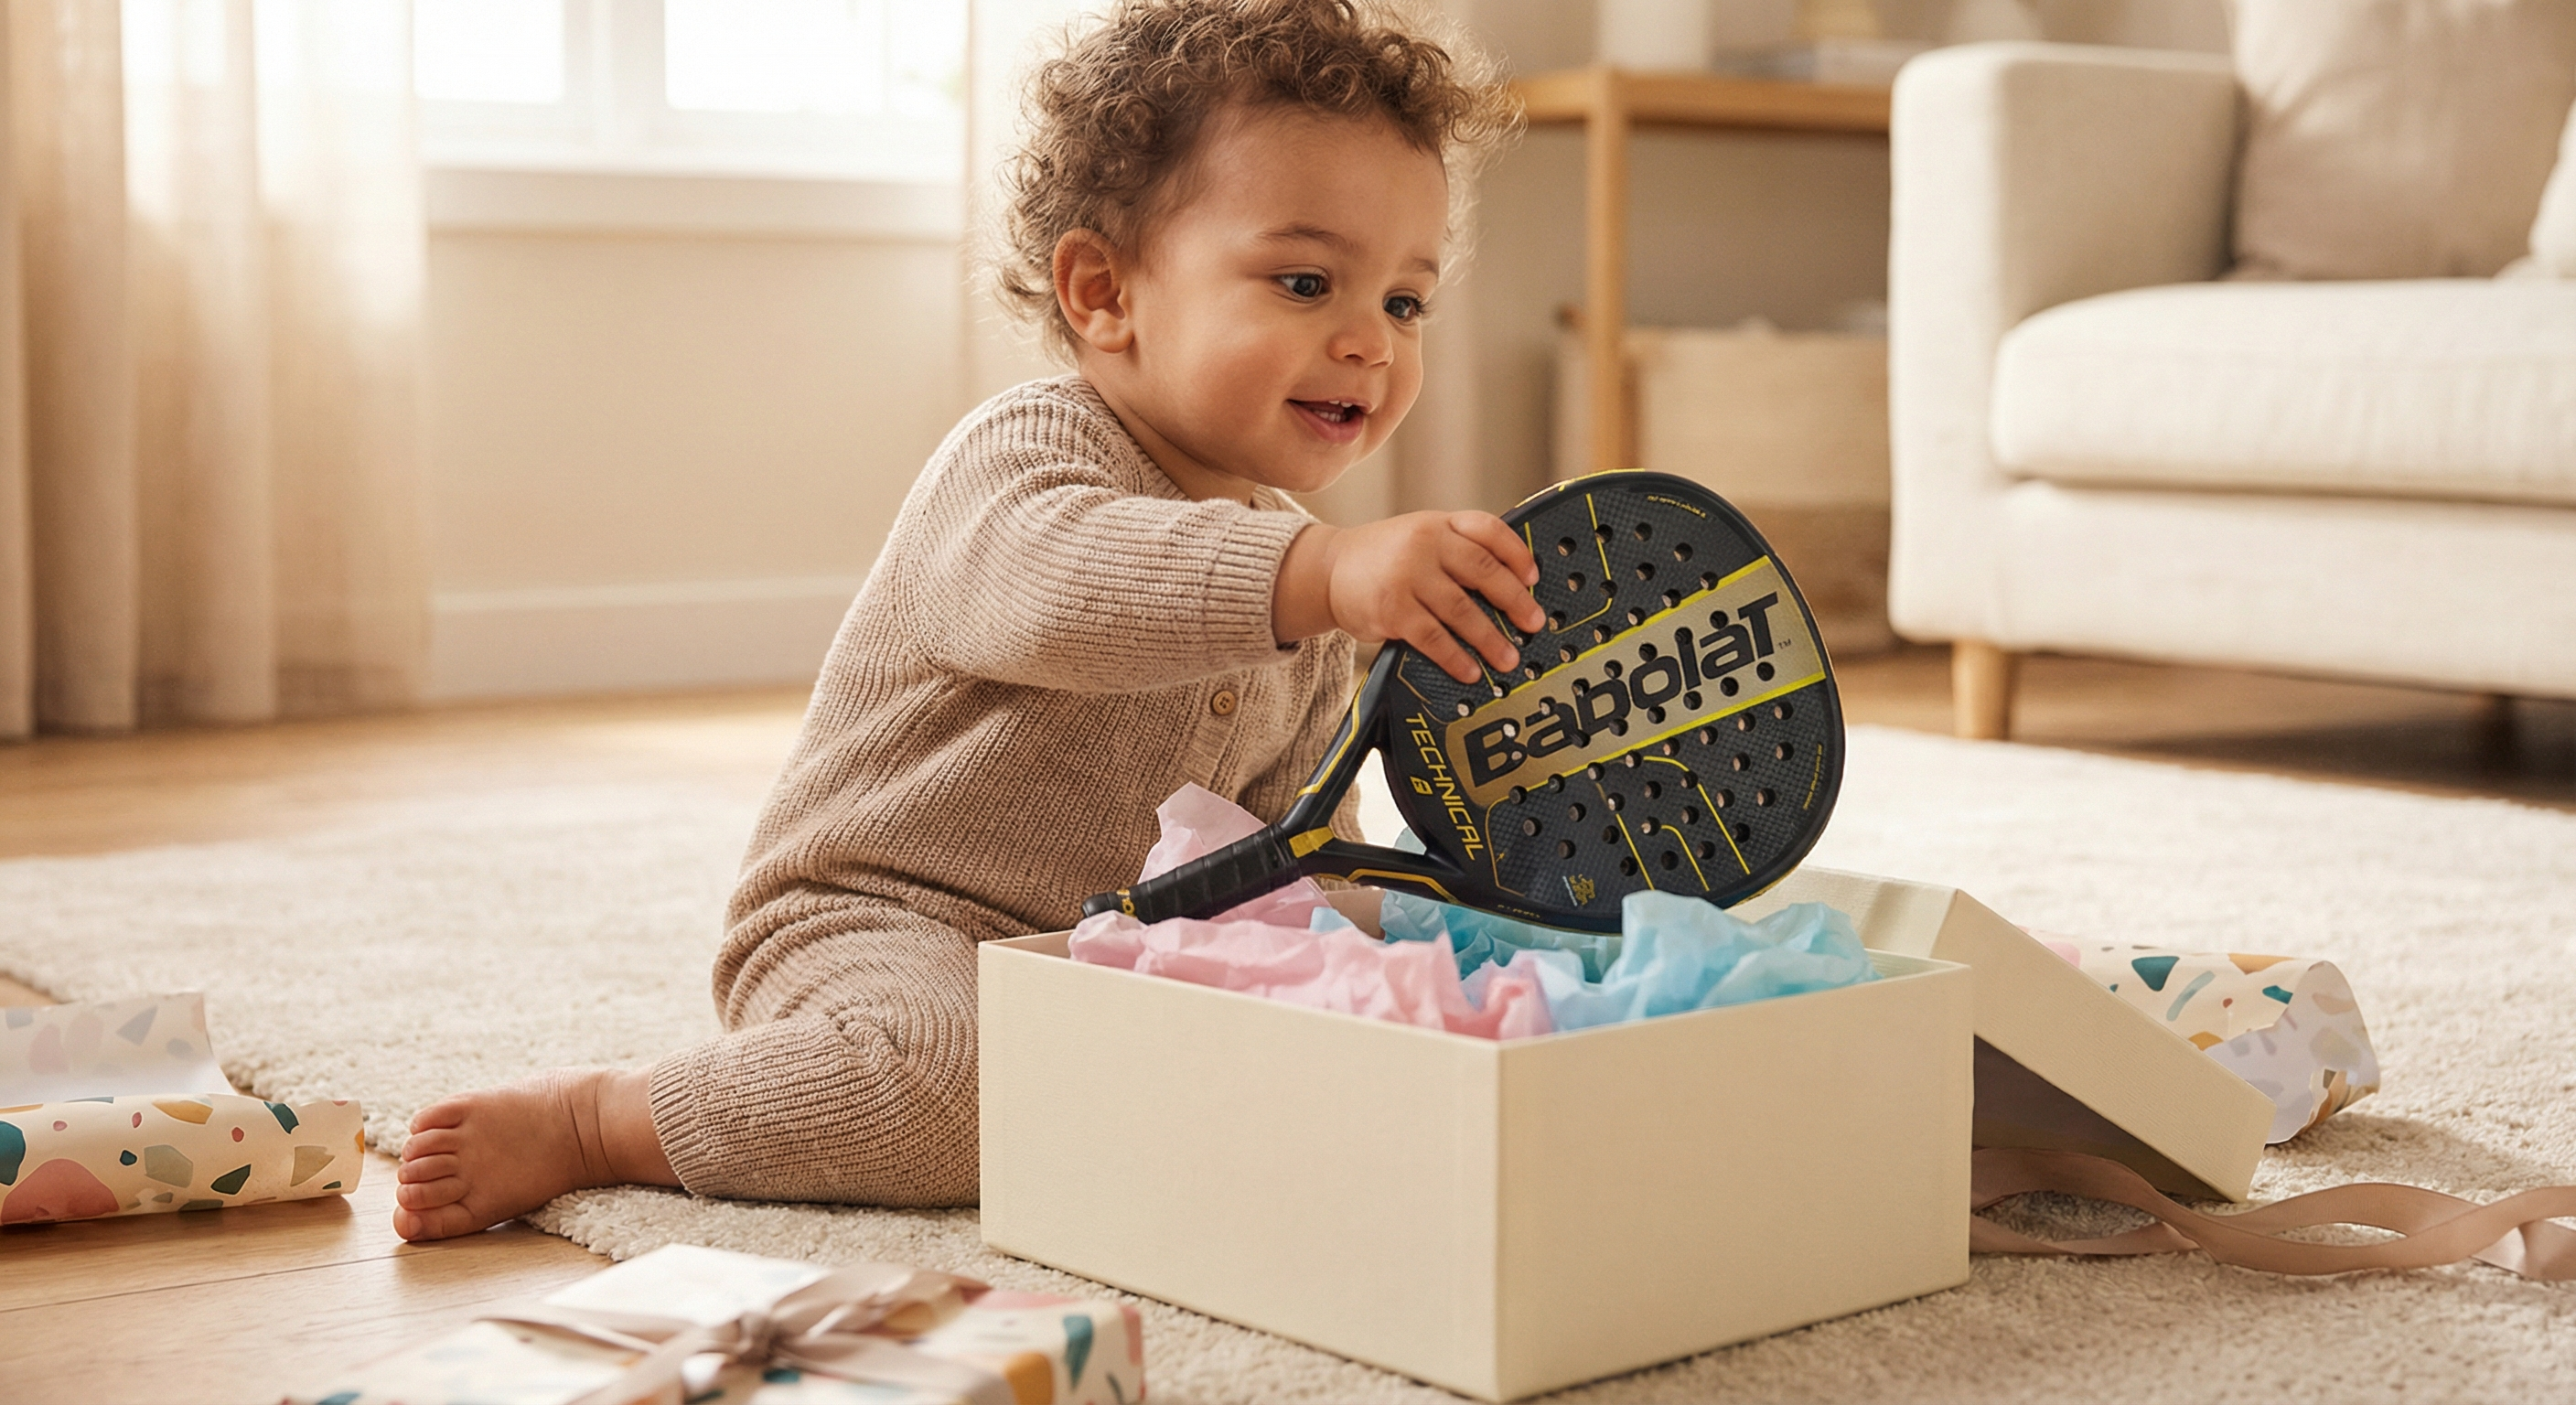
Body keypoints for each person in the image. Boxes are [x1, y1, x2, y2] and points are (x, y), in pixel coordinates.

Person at [392, 0, 1533, 1240]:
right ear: (1105, 293)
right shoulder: (1028, 460)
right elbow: (1066, 594)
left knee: (1377, 994)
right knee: (964, 1088)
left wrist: (1409, 927)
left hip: (1104, 960)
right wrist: (1320, 574)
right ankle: (601, 1119)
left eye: (1408, 303)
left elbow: (1287, 840)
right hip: (883, 922)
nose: (1369, 342)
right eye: (1305, 282)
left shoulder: (1314, 596)